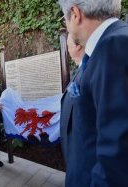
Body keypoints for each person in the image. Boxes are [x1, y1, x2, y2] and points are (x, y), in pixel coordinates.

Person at [58, 0, 128, 186]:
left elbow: (117, 159)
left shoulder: (115, 45)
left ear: (75, 13)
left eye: (63, 18)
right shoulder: (102, 50)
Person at [60, 33, 84, 163]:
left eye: (68, 47)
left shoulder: (88, 71)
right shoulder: (81, 69)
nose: (68, 52)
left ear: (78, 46)